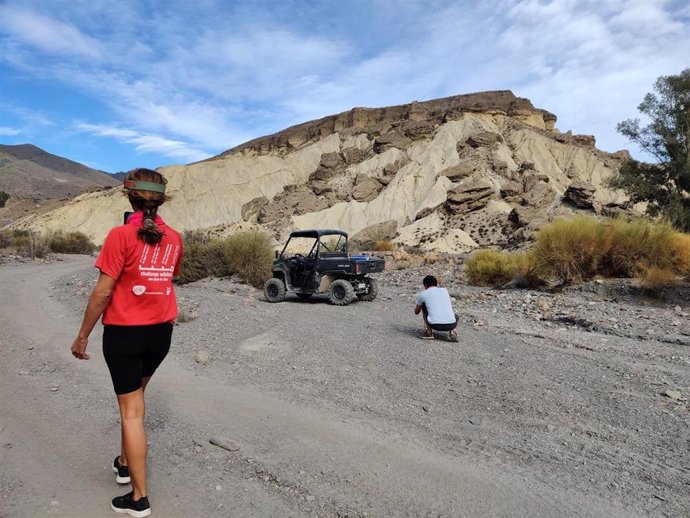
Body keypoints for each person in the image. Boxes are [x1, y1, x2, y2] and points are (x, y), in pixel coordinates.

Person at [70, 168, 183, 517]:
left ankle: (138, 498)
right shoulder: (175, 238)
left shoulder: (120, 235)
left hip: (125, 334)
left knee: (131, 413)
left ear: (130, 196)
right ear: (161, 201)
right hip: (160, 333)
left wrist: (83, 334)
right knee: (135, 400)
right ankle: (123, 464)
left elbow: (103, 290)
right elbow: (172, 276)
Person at [414, 275, 459, 342]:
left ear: (425, 285)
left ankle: (429, 333)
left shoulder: (423, 294)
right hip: (452, 324)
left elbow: (416, 312)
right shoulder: (445, 291)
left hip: (435, 325)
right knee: (454, 315)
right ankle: (452, 332)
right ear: (436, 283)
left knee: (423, 305)